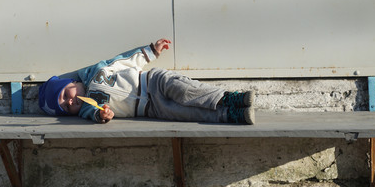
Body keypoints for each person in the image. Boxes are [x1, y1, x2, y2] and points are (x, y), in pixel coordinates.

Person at [38, 38, 255, 124]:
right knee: (187, 113)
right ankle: (231, 114)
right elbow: (95, 115)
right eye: (65, 107)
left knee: (187, 90)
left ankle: (229, 98)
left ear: (71, 83)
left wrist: (150, 51)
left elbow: (124, 59)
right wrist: (103, 114)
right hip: (150, 108)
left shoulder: (98, 70)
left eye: (66, 95)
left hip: (152, 81)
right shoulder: (87, 108)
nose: (69, 102)